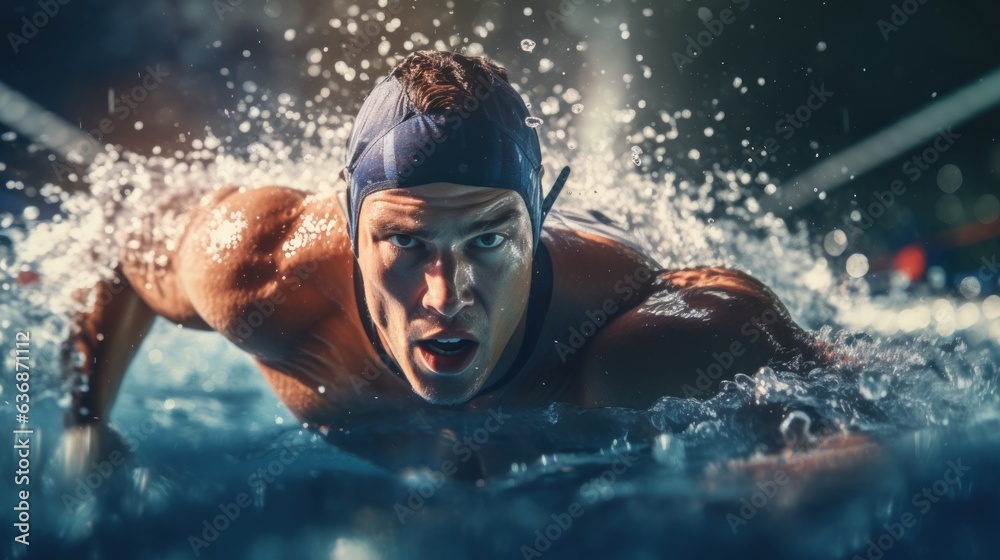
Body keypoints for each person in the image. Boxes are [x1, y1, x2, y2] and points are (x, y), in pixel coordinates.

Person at [58, 50, 828, 458]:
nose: (444, 293)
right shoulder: (262, 274)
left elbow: (864, 408)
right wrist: (85, 426)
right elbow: (124, 233)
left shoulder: (633, 338)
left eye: (488, 239)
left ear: (539, 219)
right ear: (350, 222)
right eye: (404, 240)